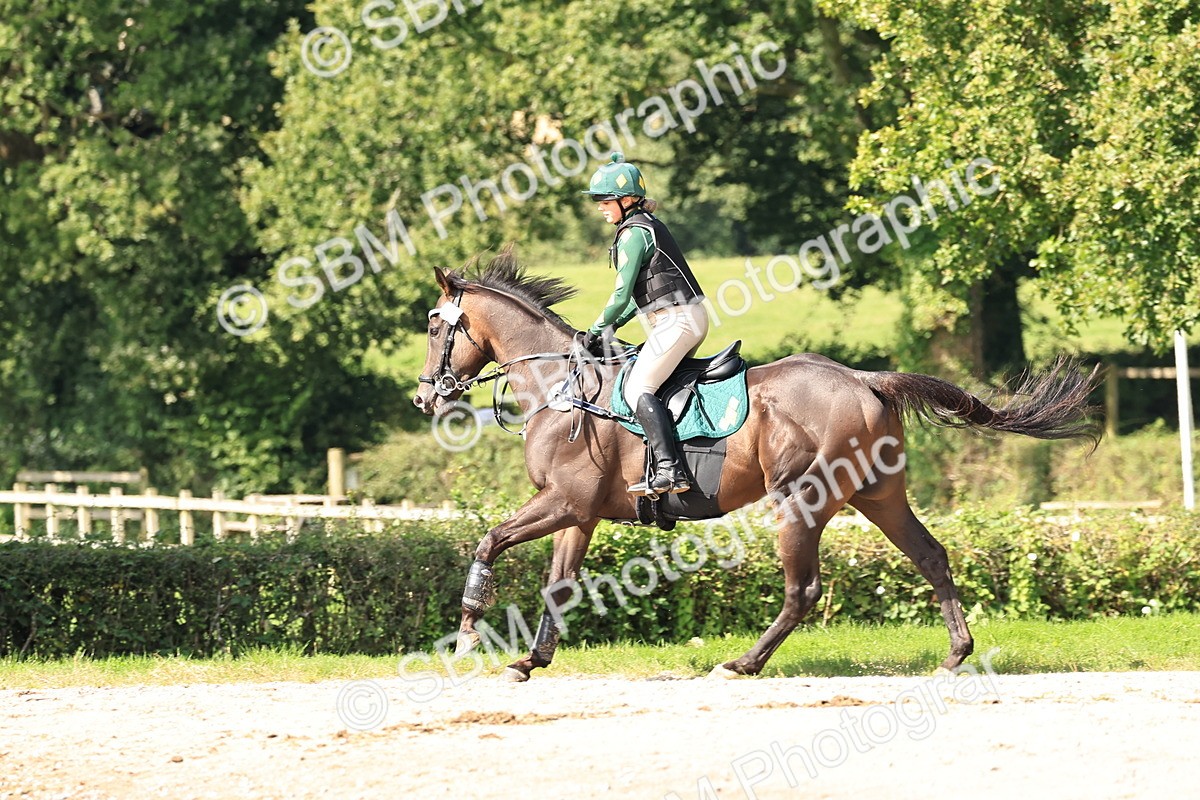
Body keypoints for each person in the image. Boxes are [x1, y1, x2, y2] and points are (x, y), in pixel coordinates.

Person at [579, 152, 709, 495]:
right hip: (681, 318)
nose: (600, 207)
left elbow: (621, 296)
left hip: (676, 321)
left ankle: (671, 471)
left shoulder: (634, 233)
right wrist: (610, 329)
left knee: (638, 388)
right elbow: (635, 304)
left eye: (604, 200)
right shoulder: (645, 226)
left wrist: (594, 331)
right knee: (655, 382)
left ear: (627, 199)